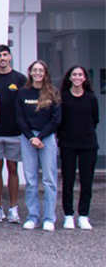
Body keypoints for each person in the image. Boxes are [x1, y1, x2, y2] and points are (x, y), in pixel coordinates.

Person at [16, 60, 62, 231]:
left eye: (40, 70)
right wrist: (31, 137)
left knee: (49, 180)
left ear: (45, 73)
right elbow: (19, 118)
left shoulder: (52, 93)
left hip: (47, 138)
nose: (37, 73)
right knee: (31, 180)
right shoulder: (23, 93)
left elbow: (56, 119)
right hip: (28, 138)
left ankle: (49, 218)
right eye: (34, 70)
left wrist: (41, 137)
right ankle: (33, 216)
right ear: (30, 73)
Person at [0, 44, 27, 224]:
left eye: (5, 55)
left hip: (14, 133)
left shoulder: (19, 79)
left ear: (10, 56)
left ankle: (13, 208)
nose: (2, 58)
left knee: (12, 168)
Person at [58, 65, 98, 230]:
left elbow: (95, 119)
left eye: (80, 75)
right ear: (69, 77)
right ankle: (68, 215)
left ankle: (83, 215)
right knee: (68, 181)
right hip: (68, 144)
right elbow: (59, 120)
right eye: (74, 74)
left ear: (84, 78)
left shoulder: (91, 98)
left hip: (88, 144)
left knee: (87, 181)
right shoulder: (63, 97)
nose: (77, 77)